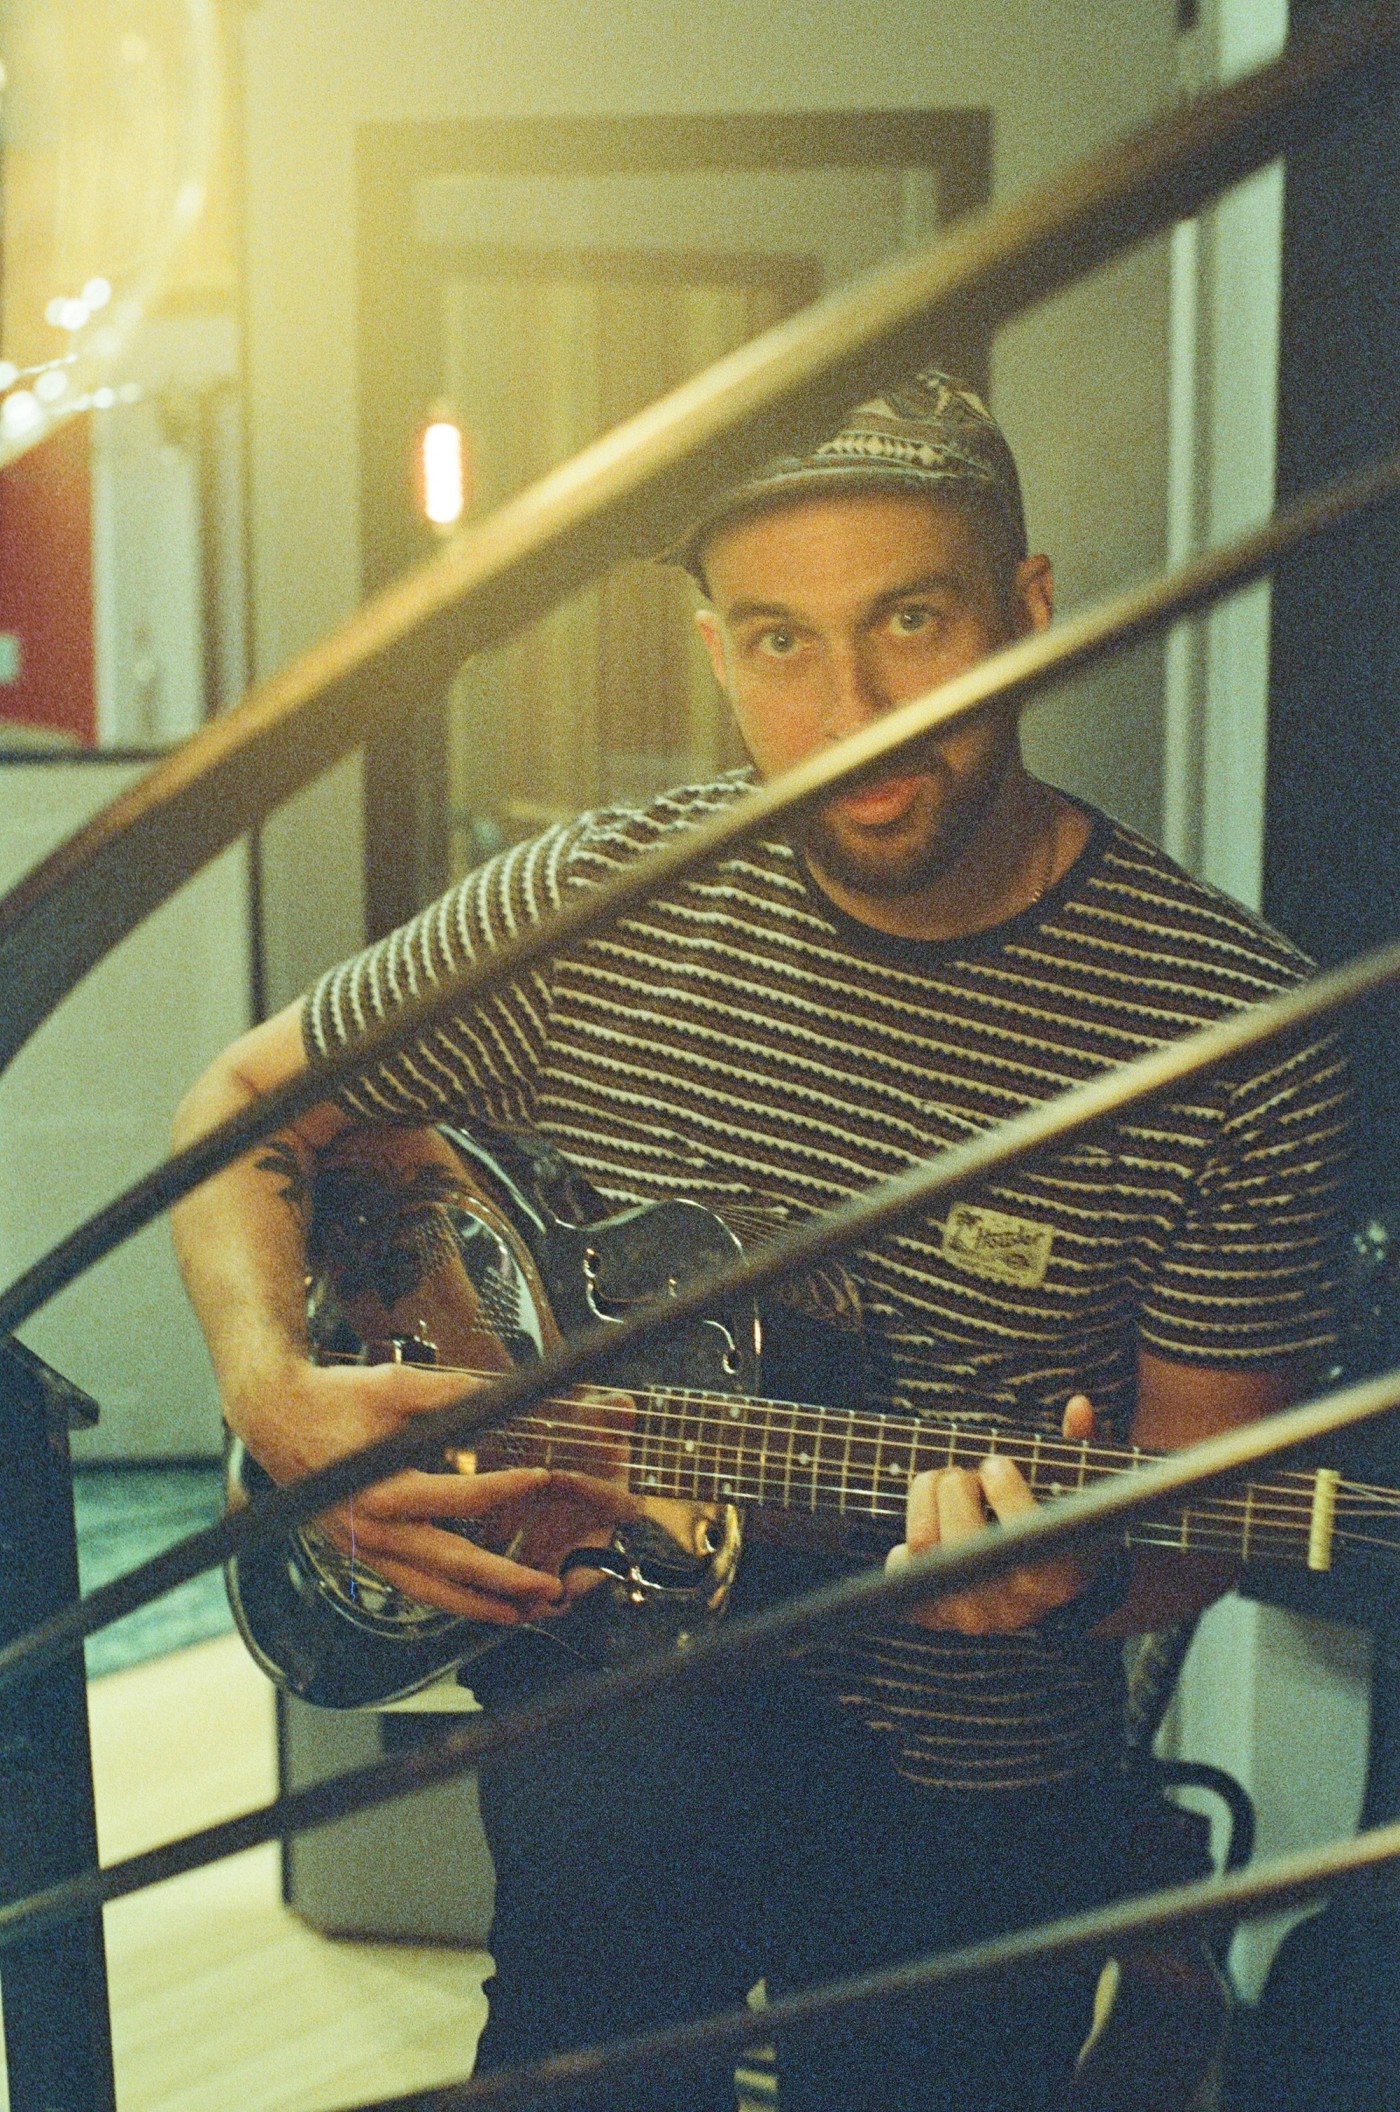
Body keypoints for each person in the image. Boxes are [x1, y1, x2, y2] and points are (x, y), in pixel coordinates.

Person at [171, 369, 1351, 2111]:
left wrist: (1081, 1576)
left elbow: (1212, 1499)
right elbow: (250, 1101)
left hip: (975, 1780)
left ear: (1027, 609)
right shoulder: (595, 902)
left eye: (911, 620)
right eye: (780, 642)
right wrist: (275, 1390)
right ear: (713, 649)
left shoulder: (1233, 1033)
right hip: (611, 1710)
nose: (853, 707)